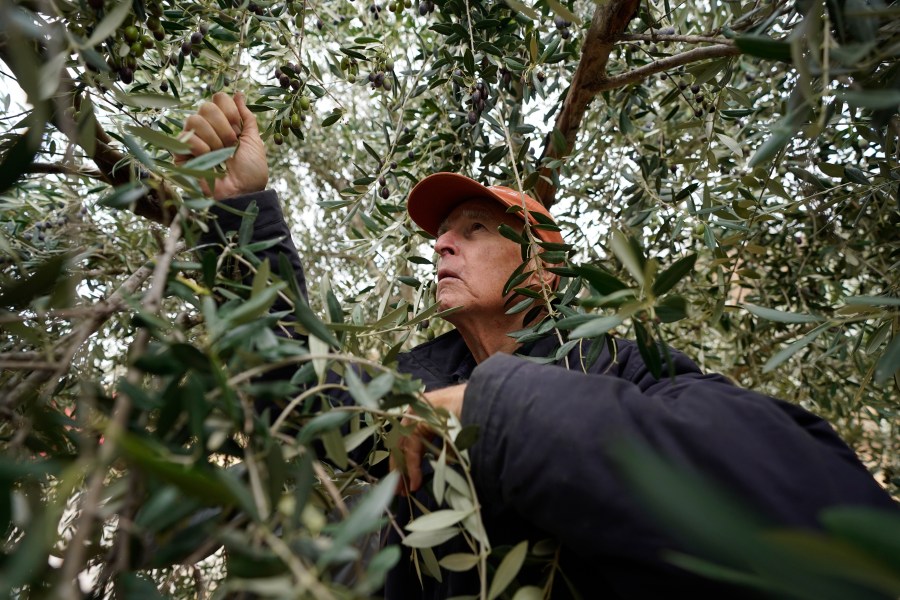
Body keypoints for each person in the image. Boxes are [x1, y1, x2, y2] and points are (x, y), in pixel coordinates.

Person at [182, 93, 897, 598]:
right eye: (440, 234)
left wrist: (494, 405)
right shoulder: (410, 397)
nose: (443, 244)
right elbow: (299, 396)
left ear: (543, 266)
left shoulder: (625, 368)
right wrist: (239, 210)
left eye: (474, 228)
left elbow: (810, 503)